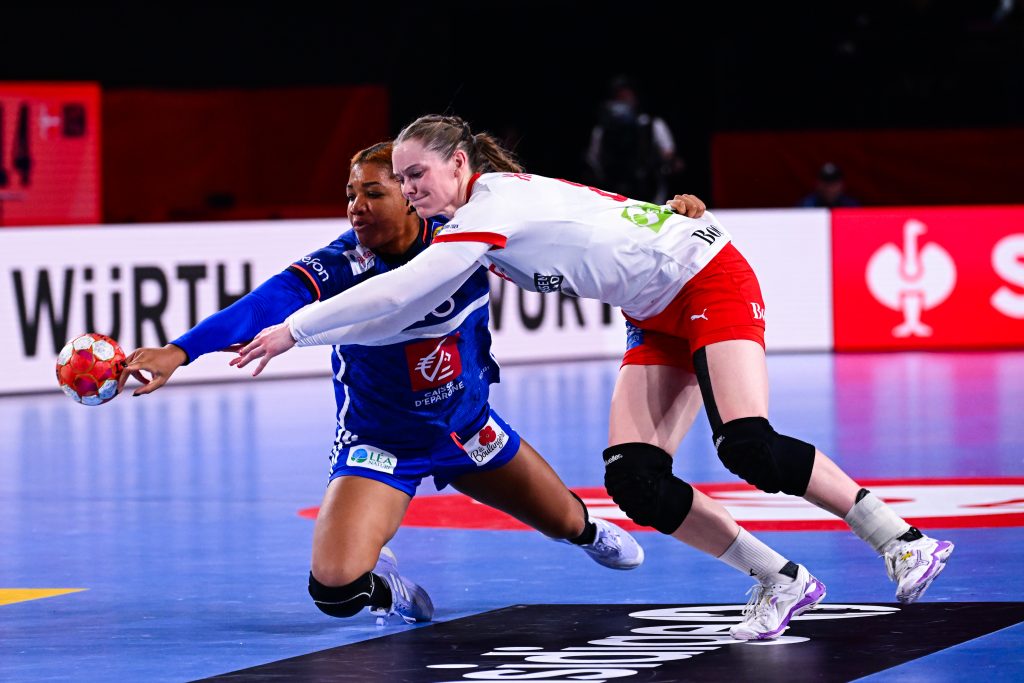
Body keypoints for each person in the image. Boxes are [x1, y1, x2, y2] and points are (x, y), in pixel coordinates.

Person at [237, 115, 955, 641]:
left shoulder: (491, 208)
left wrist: (296, 328)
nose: (408, 189)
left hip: (708, 278)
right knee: (634, 480)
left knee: (747, 444)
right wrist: (665, 211)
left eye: (417, 175)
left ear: (458, 164)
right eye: (400, 180)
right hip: (652, 310)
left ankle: (902, 540)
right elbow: (591, 215)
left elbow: (402, 289)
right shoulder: (475, 214)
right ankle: (781, 580)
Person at [117, 141, 651, 627]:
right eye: (351, 194)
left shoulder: (467, 233)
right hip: (381, 444)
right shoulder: (340, 263)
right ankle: (388, 588)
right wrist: (179, 352)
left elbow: (577, 220)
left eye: (373, 193)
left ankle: (587, 532)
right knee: (335, 589)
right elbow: (263, 305)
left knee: (568, 522)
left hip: (468, 429)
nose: (357, 207)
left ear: (412, 196)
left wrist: (665, 219)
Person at [585, 76, 682, 204]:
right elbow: (593, 161)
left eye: (627, 95)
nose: (624, 100)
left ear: (635, 97)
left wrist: (669, 162)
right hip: (614, 191)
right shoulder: (602, 131)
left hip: (649, 189)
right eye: (619, 97)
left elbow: (668, 154)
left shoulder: (652, 124)